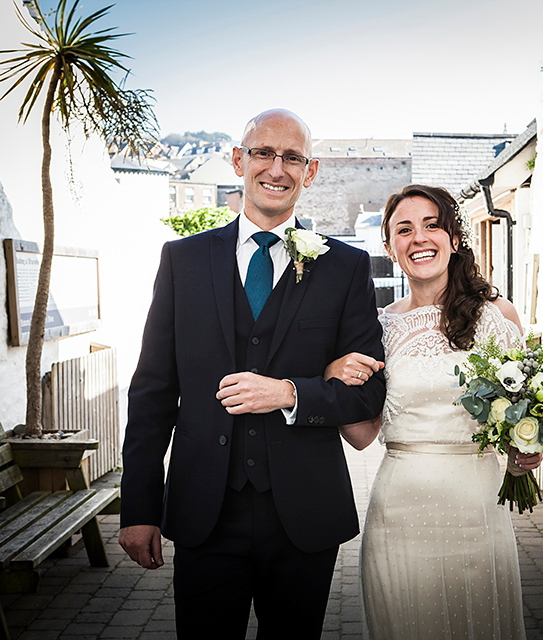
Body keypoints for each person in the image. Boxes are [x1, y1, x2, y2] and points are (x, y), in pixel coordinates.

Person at [118, 109, 386, 638]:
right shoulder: (183, 260)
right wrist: (138, 507)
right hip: (205, 510)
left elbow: (367, 395)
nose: (277, 168)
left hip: (304, 512)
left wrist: (291, 394)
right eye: (264, 153)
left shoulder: (345, 267)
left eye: (292, 158)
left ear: (310, 173)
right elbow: (152, 391)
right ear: (239, 160)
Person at [326, 184, 542, 639]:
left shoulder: (497, 316)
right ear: (389, 247)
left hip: (477, 509)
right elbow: (363, 435)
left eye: (432, 225)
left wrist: (528, 452)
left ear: (454, 239)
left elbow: (521, 415)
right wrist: (333, 378)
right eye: (404, 230)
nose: (419, 238)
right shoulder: (379, 327)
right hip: (398, 513)